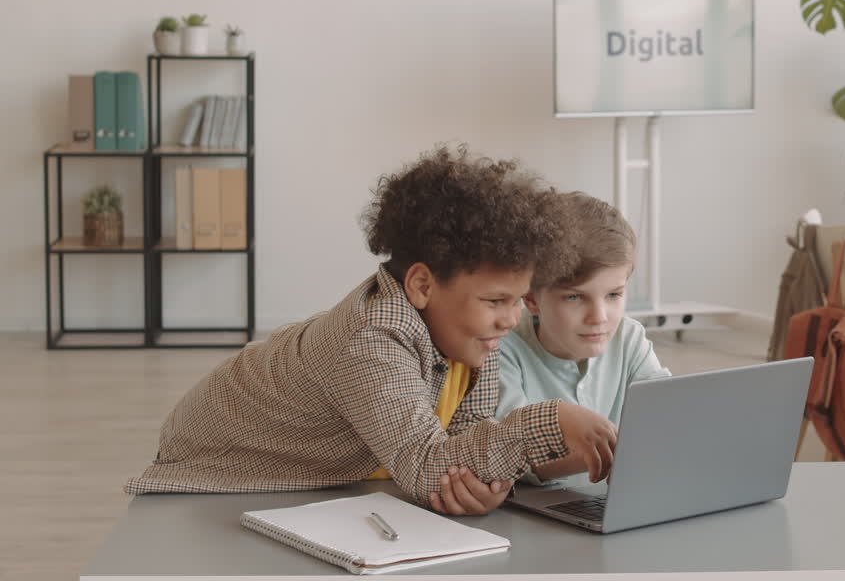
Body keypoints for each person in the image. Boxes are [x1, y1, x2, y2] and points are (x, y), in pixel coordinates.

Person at [125, 145, 619, 516]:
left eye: (516, 301)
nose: (511, 319)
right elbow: (428, 467)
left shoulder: (472, 336)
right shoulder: (368, 339)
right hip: (223, 468)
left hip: (336, 471)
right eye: (496, 301)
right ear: (423, 284)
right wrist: (550, 420)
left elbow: (460, 448)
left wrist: (476, 479)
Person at [496, 192, 670, 486]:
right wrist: (617, 452)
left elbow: (668, 409)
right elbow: (513, 457)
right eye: (575, 297)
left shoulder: (628, 337)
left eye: (614, 294)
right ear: (532, 299)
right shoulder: (503, 348)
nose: (599, 317)